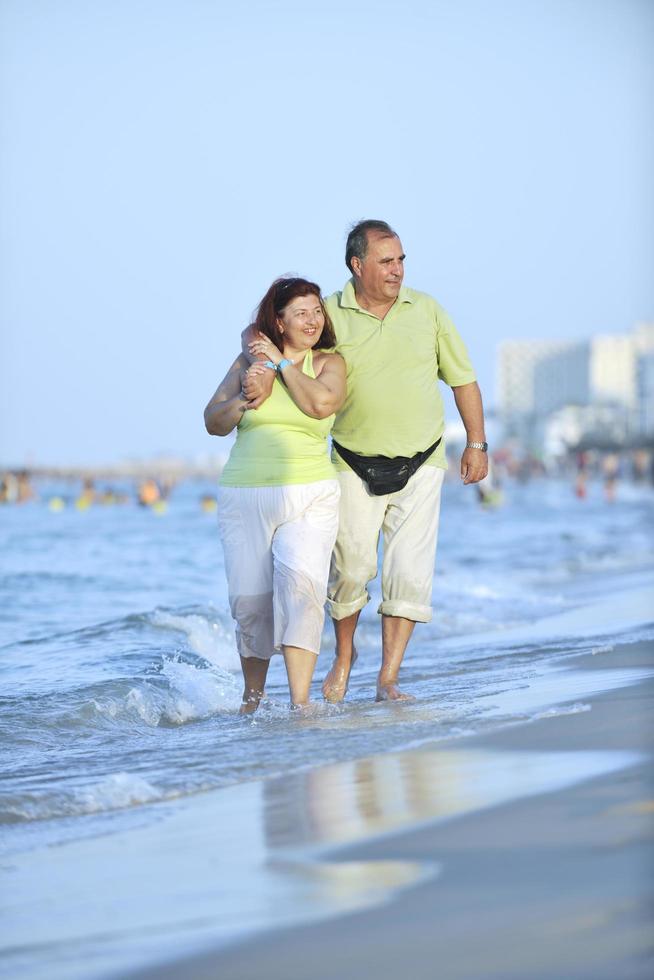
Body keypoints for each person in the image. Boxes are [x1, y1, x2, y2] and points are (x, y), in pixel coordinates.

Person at [243, 221, 488, 703]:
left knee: (409, 577)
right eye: (386, 261)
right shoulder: (328, 313)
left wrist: (477, 443)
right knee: (351, 570)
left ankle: (388, 679)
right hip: (353, 462)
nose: (397, 270)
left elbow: (463, 378)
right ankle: (343, 655)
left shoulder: (427, 310)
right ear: (357, 265)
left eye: (400, 260)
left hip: (423, 460)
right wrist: (264, 361)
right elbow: (265, 327)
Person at [204, 277, 346, 712]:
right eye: (300, 313)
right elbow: (213, 420)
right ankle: (253, 699)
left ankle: (300, 704)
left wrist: (281, 367)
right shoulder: (247, 362)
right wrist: (244, 403)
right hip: (243, 495)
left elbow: (321, 405)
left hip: (310, 494)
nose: (312, 320)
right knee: (250, 604)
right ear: (279, 322)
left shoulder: (329, 363)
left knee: (301, 592)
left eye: (317, 311)